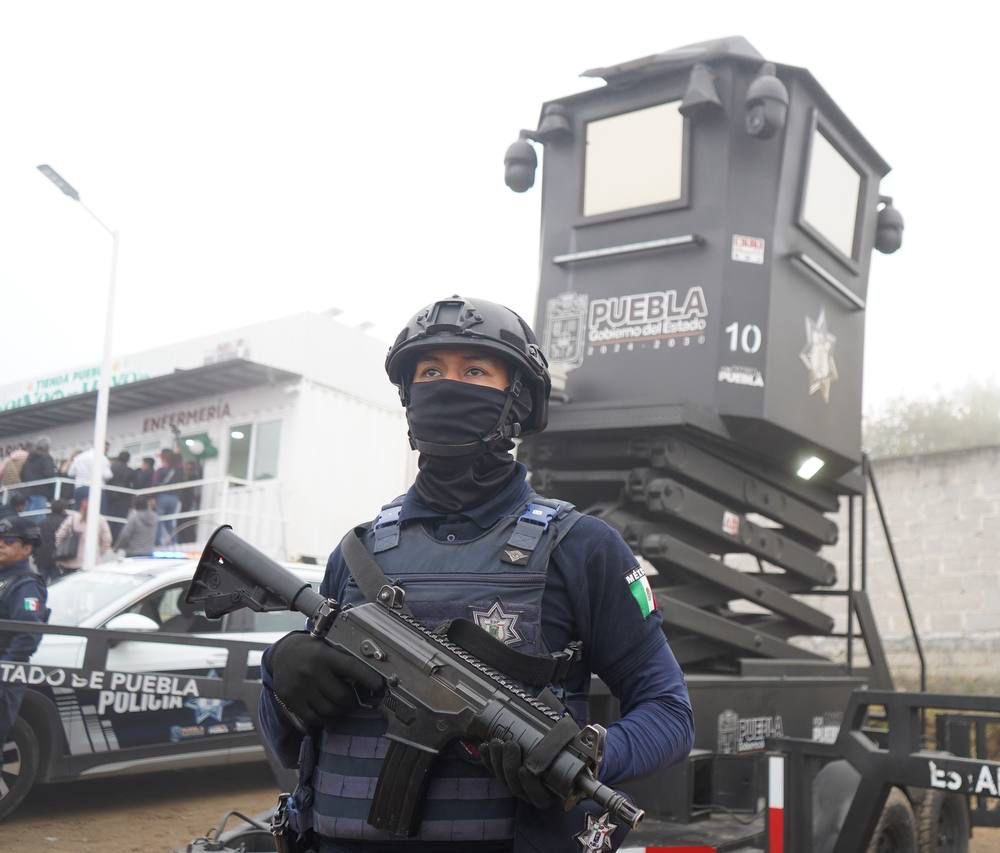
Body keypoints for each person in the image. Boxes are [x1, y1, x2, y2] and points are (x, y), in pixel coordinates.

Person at [258, 296, 693, 853]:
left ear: (518, 397)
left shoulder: (583, 547)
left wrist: (588, 754)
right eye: (430, 371)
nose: (448, 385)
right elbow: (290, 741)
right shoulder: (359, 551)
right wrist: (279, 673)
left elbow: (670, 715)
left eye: (474, 371)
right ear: (409, 396)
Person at [0, 515, 49, 754]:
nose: (1, 544)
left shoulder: (26, 585)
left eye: (9, 541)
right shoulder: (4, 578)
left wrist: (5, 669)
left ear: (27, 549)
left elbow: (28, 634)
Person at [54, 491, 113, 573]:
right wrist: (99, 552)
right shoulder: (100, 519)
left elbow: (59, 535)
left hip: (71, 561)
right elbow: (107, 540)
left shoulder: (73, 518)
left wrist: (61, 547)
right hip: (92, 561)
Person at [153, 449, 184, 547]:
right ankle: (174, 541)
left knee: (158, 520)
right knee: (169, 521)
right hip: (175, 498)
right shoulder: (179, 470)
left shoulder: (161, 470)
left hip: (163, 496)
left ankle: (157, 543)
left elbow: (155, 483)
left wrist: (152, 497)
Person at [34, 499, 70, 581]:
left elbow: (35, 541)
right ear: (63, 510)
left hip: (42, 558)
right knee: (57, 583)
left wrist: (35, 555)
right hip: (58, 558)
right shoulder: (65, 523)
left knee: (41, 582)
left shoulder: (41, 523)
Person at [19, 437, 58, 511]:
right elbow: (49, 474)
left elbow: (21, 474)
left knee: (27, 514)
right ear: (47, 447)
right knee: (38, 515)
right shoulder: (46, 457)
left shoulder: (28, 458)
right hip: (40, 492)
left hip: (26, 492)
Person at [106, 450, 135, 539]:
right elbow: (134, 484)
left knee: (109, 519)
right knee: (120, 521)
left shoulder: (111, 467)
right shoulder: (130, 471)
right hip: (123, 498)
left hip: (110, 497)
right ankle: (117, 540)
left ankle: (108, 538)